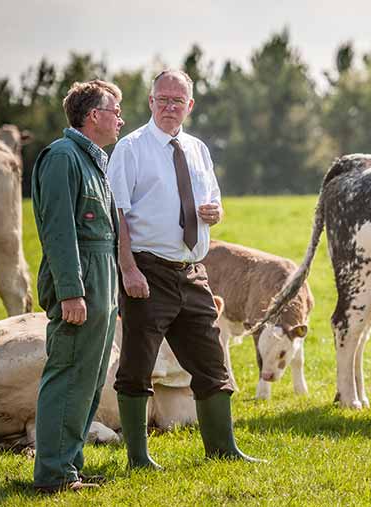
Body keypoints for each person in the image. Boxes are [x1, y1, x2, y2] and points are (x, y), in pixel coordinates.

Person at [108, 69, 261, 468]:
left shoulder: (197, 149)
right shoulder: (131, 148)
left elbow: (212, 203)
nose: (170, 107)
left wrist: (215, 213)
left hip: (193, 269)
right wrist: (128, 270)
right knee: (137, 365)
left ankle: (223, 450)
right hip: (147, 269)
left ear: (190, 106)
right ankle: (138, 458)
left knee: (212, 362)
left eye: (178, 101)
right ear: (150, 102)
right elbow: (118, 214)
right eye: (163, 99)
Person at [31, 80, 125, 492]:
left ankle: (69, 467)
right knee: (68, 375)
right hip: (80, 281)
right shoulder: (62, 158)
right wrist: (71, 291)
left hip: (101, 280)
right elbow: (58, 231)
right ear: (93, 116)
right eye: (115, 110)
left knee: (87, 380)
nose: (120, 118)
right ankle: (52, 473)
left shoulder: (94, 160)